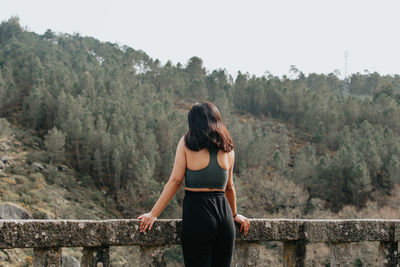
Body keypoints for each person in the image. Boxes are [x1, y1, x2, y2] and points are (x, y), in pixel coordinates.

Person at [137, 101, 250, 266]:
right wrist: (234, 215)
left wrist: (153, 214)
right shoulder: (228, 147)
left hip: (198, 215)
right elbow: (229, 187)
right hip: (224, 218)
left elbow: (175, 180)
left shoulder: (187, 142)